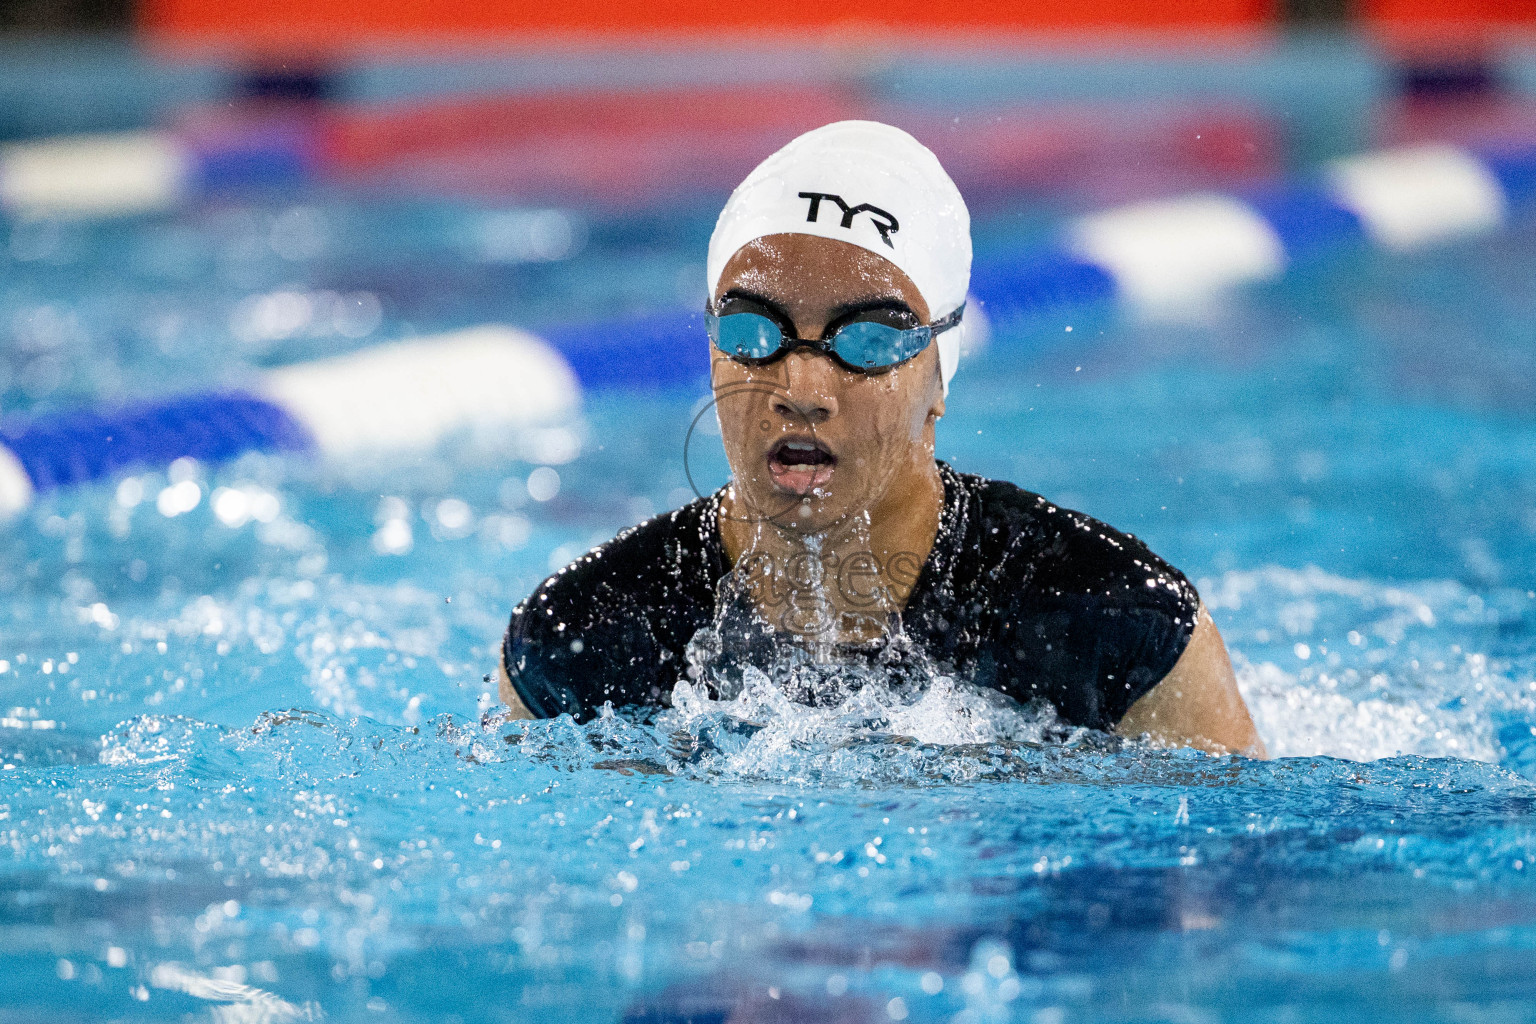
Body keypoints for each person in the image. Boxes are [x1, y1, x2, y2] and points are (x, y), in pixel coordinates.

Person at [498, 121, 1266, 757]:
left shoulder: (1116, 626)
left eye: (868, 339)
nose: (800, 391)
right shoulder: (583, 638)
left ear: (939, 379)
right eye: (753, 330)